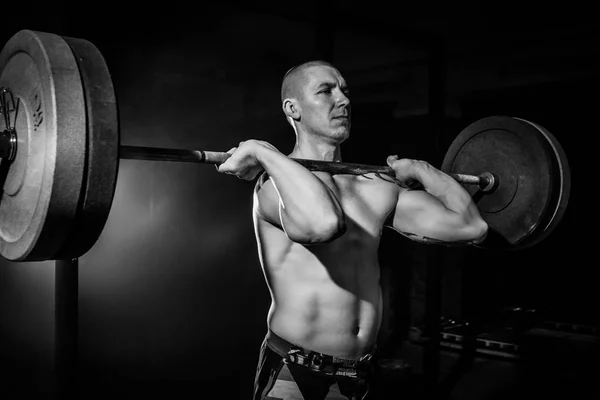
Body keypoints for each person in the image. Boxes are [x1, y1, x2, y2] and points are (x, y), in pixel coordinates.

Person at [217, 60, 488, 400]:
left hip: (357, 374)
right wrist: (263, 151)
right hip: (294, 370)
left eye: (345, 91)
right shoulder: (272, 186)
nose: (343, 100)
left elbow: (471, 227)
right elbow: (323, 224)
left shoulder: (373, 187)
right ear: (292, 108)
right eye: (325, 91)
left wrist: (421, 169)